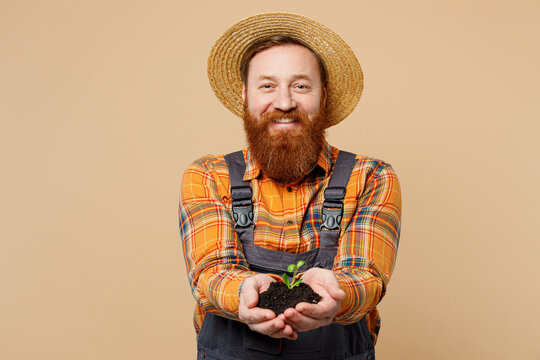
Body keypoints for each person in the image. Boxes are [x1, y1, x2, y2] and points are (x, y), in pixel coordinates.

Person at [179, 12, 401, 360]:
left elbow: (366, 275)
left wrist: (335, 291)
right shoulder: (209, 175)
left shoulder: (371, 176)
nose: (284, 103)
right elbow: (212, 271)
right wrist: (244, 292)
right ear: (245, 96)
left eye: (300, 85)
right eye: (267, 85)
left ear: (323, 96)